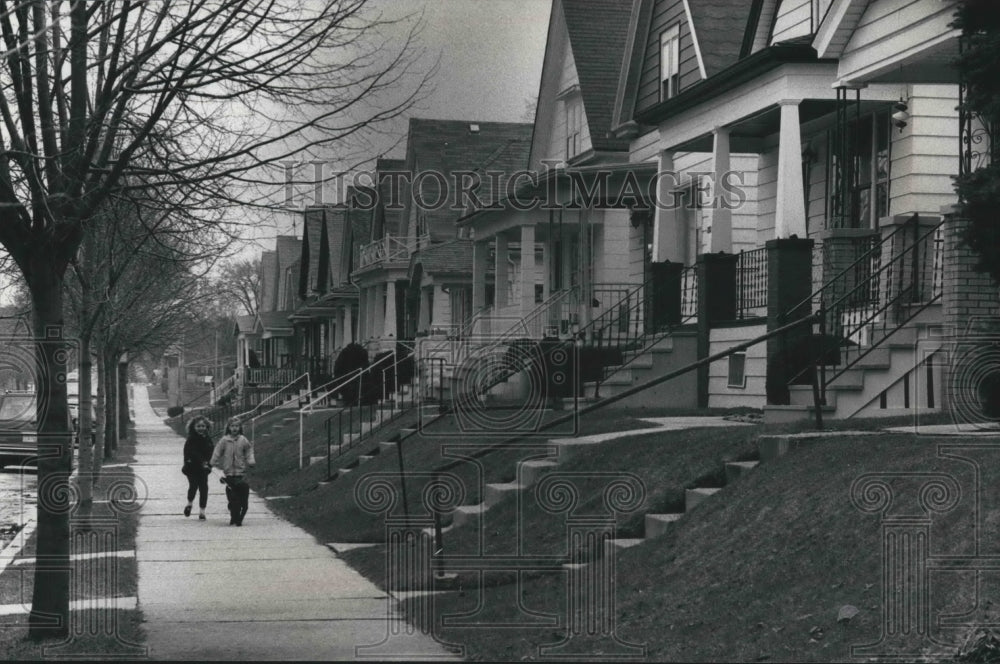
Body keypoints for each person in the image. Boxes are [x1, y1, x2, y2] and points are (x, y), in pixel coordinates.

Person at [210, 417, 256, 526]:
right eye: (232, 426)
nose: (234, 428)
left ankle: (237, 516)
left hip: (240, 473)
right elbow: (217, 451)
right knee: (232, 497)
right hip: (229, 473)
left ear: (240, 428)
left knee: (240, 497)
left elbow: (249, 450)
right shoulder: (224, 440)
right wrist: (212, 462)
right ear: (228, 428)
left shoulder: (243, 440)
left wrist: (251, 461)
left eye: (237, 426)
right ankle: (233, 513)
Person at [182, 416, 214, 520]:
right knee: (193, 486)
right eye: (198, 426)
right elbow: (191, 452)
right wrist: (200, 461)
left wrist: (209, 463)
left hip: (203, 469)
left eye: (203, 426)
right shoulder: (191, 439)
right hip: (192, 468)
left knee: (204, 489)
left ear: (206, 427)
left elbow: (211, 452)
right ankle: (189, 503)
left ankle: (202, 511)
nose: (201, 428)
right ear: (194, 427)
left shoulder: (208, 439)